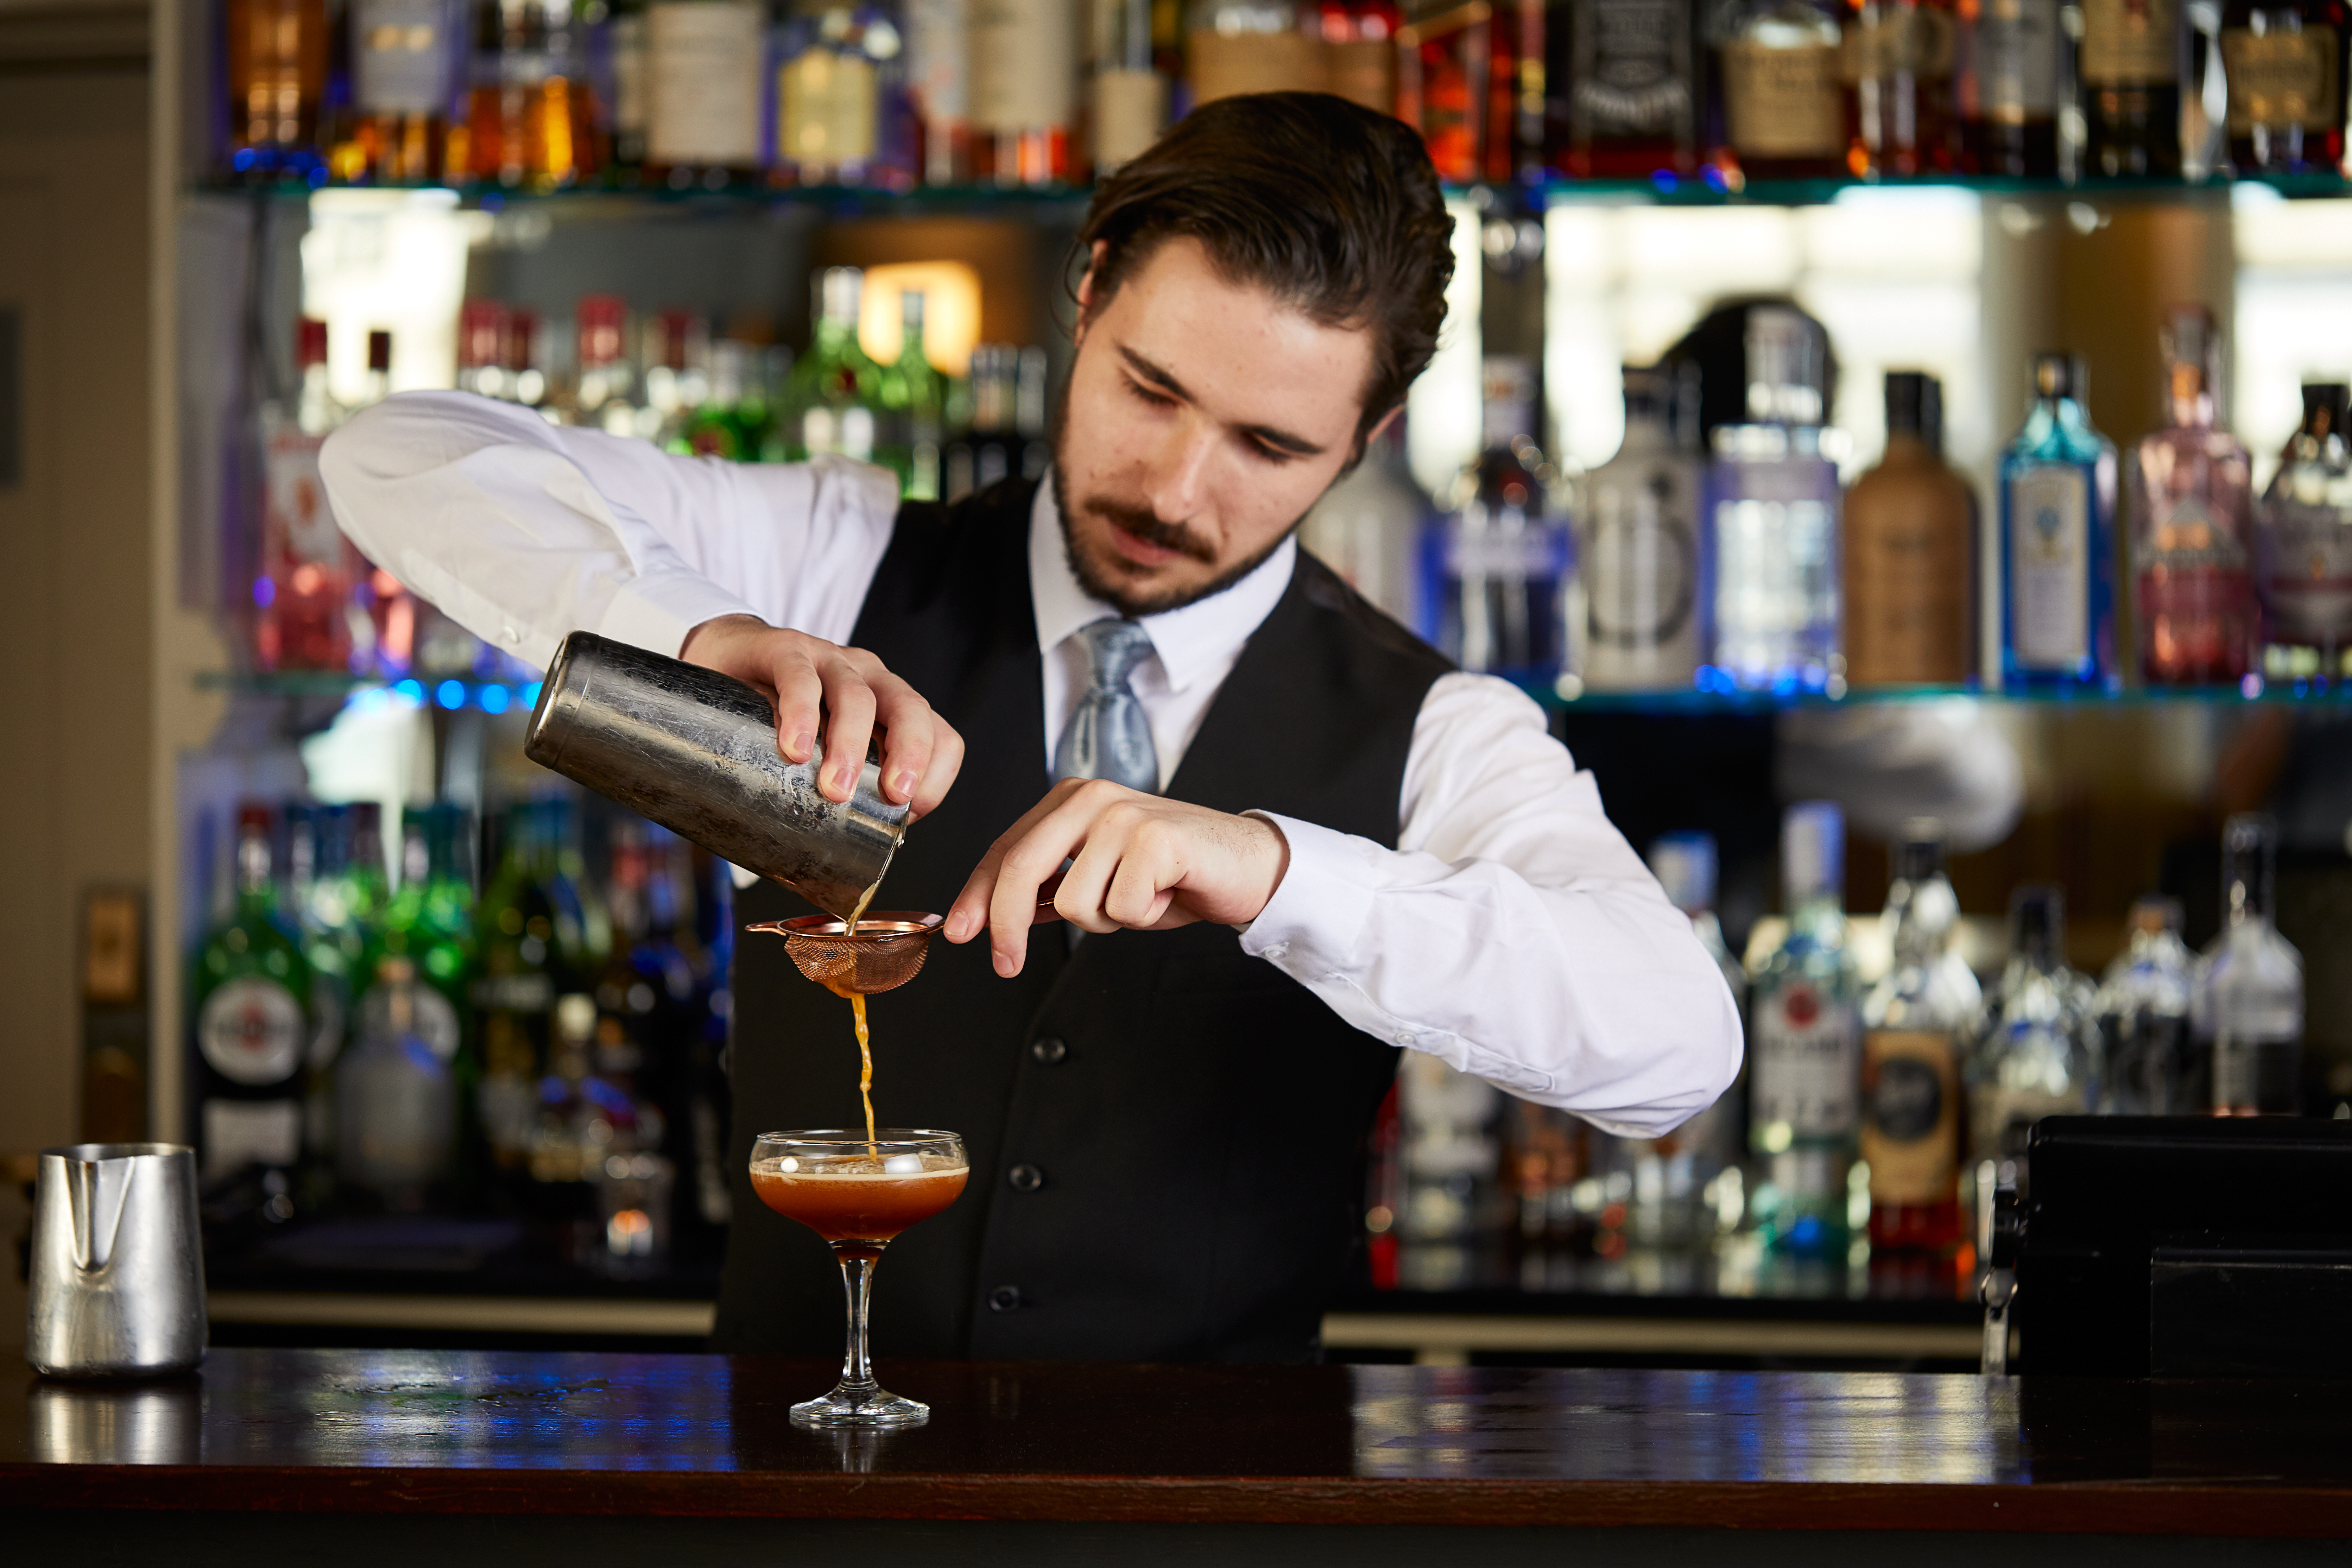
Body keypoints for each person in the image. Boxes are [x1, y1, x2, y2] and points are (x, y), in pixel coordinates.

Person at [323, 93, 1741, 1363]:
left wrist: (1275, 871)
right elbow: (398, 453)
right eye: (1150, 389)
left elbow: (1678, 1045)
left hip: (1208, 1529)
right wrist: (697, 630)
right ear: (1086, 296)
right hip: (792, 1502)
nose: (1180, 490)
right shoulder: (832, 556)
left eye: (1270, 448)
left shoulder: (1438, 730)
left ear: (1363, 443)